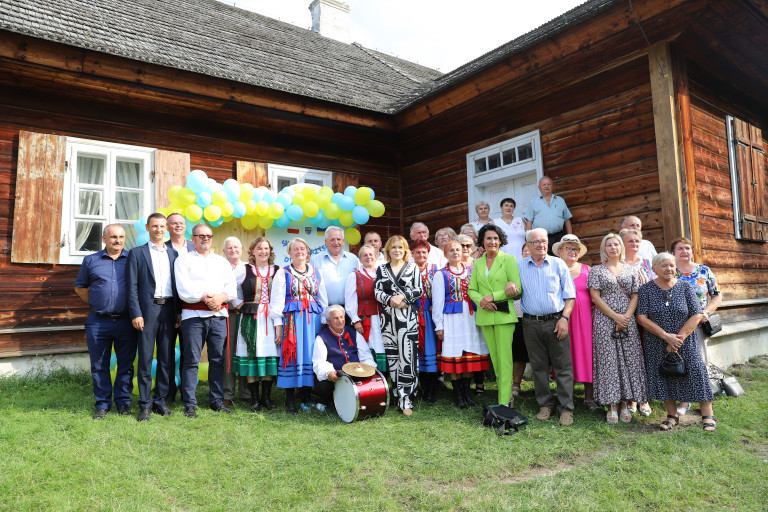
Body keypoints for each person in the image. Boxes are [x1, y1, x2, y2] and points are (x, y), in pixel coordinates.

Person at [637, 253, 716, 432]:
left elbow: (697, 314)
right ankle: (672, 415)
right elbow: (641, 317)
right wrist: (666, 336)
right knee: (665, 374)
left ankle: (707, 414)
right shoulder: (646, 290)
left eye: (672, 265)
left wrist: (677, 339)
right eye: (664, 266)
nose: (669, 269)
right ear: (654, 269)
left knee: (696, 370)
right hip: (657, 340)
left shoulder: (685, 286)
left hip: (685, 340)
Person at [74, 224, 138, 419]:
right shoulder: (91, 260)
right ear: (104, 239)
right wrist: (96, 303)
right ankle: (102, 404)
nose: (117, 240)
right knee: (99, 364)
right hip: (98, 321)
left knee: (125, 364)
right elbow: (80, 288)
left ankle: (123, 403)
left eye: (120, 237)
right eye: (113, 237)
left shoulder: (133, 260)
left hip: (126, 321)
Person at [174, 224, 237, 418]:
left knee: (217, 360)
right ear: (192, 238)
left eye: (208, 236)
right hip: (193, 317)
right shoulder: (183, 260)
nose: (205, 239)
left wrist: (221, 297)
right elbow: (184, 290)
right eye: (201, 236)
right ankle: (190, 404)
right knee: (191, 361)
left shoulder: (221, 262)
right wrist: (207, 298)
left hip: (218, 317)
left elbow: (232, 289)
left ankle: (216, 401)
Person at [587, 233, 648, 423]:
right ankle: (611, 405)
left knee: (629, 362)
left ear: (621, 248)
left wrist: (626, 318)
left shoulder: (631, 270)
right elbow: (595, 297)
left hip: (627, 321)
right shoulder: (597, 270)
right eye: (609, 245)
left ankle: (624, 403)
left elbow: (635, 295)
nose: (613, 248)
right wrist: (615, 317)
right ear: (604, 249)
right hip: (605, 321)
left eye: (616, 244)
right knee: (608, 362)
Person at [518, 228, 576, 426]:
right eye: (536, 242)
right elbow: (513, 290)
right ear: (528, 245)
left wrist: (564, 319)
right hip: (530, 323)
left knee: (563, 367)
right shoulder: (519, 266)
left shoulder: (558, 264)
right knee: (538, 367)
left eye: (544, 241)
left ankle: (566, 408)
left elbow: (569, 296)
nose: (542, 244)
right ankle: (545, 405)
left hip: (556, 321)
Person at [126, 213, 179, 421]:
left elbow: (178, 286)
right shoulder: (137, 254)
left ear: (166, 228)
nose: (159, 230)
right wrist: (136, 313)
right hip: (147, 312)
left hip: (168, 310)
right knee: (146, 359)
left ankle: (160, 402)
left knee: (166, 359)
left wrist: (178, 313)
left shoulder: (174, 255)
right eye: (154, 226)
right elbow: (132, 288)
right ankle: (145, 405)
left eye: (162, 226)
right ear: (147, 227)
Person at [271, 237, 328, 414]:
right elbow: (277, 301)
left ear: (308, 252)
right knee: (292, 355)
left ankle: (306, 397)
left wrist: (325, 322)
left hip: (313, 321)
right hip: (293, 321)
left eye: (302, 248)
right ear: (289, 253)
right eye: (295, 249)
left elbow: (322, 299)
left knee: (311, 355)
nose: (299, 252)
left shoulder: (316, 272)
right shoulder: (283, 272)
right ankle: (289, 400)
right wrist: (278, 326)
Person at [468, 224, 522, 407]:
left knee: (505, 360)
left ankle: (504, 403)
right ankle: (506, 396)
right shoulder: (477, 263)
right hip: (485, 316)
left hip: (504, 316)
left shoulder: (509, 260)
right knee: (496, 361)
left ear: (501, 241)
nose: (492, 241)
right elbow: (471, 290)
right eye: (489, 238)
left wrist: (494, 296)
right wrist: (482, 300)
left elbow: (517, 288)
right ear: (482, 241)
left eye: (496, 238)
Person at [433, 241, 490, 409]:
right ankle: (458, 395)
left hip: (471, 319)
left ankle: (466, 392)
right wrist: (439, 325)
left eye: (458, 249)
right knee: (453, 355)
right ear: (445, 254)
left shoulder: (471, 271)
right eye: (451, 250)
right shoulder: (441, 274)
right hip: (452, 320)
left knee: (469, 355)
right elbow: (437, 302)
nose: (456, 252)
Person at [672, 236, 722, 416]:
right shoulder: (671, 272)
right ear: (673, 253)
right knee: (681, 361)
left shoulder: (704, 270)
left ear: (692, 251)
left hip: (699, 324)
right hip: (676, 324)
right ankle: (684, 400)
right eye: (680, 248)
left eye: (687, 248)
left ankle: (704, 400)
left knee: (699, 362)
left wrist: (706, 312)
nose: (684, 251)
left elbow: (717, 295)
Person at [375, 235, 422, 415]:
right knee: (393, 358)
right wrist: (390, 299)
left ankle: (407, 398)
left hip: (408, 320)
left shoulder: (412, 267)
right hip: (388, 320)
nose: (397, 250)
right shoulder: (381, 269)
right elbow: (377, 291)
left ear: (405, 251)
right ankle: (396, 393)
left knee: (407, 358)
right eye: (393, 247)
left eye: (400, 248)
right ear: (388, 250)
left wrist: (403, 297)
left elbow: (419, 290)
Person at [232, 237, 280, 412]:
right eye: (259, 248)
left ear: (270, 251)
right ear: (252, 251)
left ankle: (266, 398)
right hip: (250, 317)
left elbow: (281, 295)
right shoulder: (244, 270)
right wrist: (238, 303)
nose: (263, 252)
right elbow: (231, 288)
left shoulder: (277, 270)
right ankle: (254, 399)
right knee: (251, 354)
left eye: (266, 248)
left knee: (268, 354)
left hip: (271, 318)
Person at [552, 234, 598, 411]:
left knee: (587, 355)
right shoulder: (554, 268)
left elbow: (597, 295)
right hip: (562, 319)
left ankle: (589, 398)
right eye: (569, 248)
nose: (573, 252)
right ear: (560, 251)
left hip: (585, 320)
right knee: (564, 356)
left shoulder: (588, 270)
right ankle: (566, 396)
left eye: (576, 249)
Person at [311, 305, 376, 411]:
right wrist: (329, 373)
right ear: (328, 321)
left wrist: (370, 366)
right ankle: (331, 402)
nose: (340, 321)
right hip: (337, 377)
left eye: (342, 317)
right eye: (336, 318)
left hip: (357, 374)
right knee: (323, 385)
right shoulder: (322, 337)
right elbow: (319, 362)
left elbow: (365, 354)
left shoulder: (354, 333)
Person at [164, 212, 194, 402]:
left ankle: (186, 393)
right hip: (168, 307)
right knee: (167, 352)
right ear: (167, 227)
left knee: (188, 353)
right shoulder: (162, 247)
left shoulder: (194, 246)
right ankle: (168, 393)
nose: (178, 226)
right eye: (173, 223)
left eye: (181, 223)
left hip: (191, 307)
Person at [345, 245, 387, 372]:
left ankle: (385, 376)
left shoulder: (382, 273)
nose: (369, 257)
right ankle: (370, 373)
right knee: (370, 344)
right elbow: (350, 300)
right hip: (366, 316)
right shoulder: (355, 276)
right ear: (360, 259)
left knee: (384, 342)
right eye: (365, 255)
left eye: (371, 255)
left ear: (375, 257)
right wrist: (355, 320)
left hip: (383, 316)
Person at [222, 236, 251, 407]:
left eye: (236, 247)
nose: (233, 250)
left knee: (246, 352)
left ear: (241, 249)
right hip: (229, 314)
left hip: (247, 315)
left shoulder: (249, 268)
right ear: (224, 251)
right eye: (229, 248)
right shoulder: (219, 266)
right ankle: (227, 392)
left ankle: (246, 392)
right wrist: (235, 303)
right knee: (229, 353)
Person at [410, 240, 440, 403]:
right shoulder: (408, 269)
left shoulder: (435, 270)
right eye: (418, 252)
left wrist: (435, 304)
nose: (421, 255)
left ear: (428, 253)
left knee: (430, 350)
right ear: (412, 254)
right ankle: (421, 387)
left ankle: (431, 390)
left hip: (429, 316)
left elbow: (440, 291)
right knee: (416, 352)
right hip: (413, 314)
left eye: (424, 252)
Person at [311, 226, 358, 317]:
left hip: (350, 311)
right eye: (332, 239)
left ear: (343, 241)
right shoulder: (315, 260)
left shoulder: (353, 259)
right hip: (325, 311)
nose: (336, 243)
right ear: (326, 242)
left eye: (339, 239)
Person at [524, 176, 573, 254]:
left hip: (559, 237)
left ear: (552, 186)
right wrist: (529, 241)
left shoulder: (560, 200)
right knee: (543, 259)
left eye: (549, 184)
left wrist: (570, 237)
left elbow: (567, 220)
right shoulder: (533, 202)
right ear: (539, 187)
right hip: (540, 238)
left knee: (560, 259)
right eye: (544, 184)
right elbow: (529, 222)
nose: (546, 186)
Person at [511, 245, 532, 398]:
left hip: (536, 317)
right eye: (525, 251)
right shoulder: (515, 268)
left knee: (540, 355)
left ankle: (541, 385)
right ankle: (516, 384)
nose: (527, 253)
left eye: (529, 251)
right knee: (518, 353)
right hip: (518, 315)